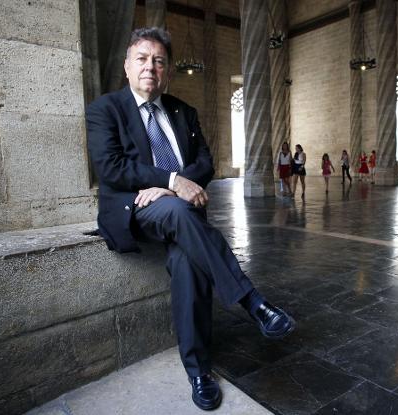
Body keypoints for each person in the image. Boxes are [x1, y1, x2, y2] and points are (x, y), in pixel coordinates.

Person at [85, 27, 295, 411]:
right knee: (179, 211)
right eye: (142, 59)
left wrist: (173, 188)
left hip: (178, 210)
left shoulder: (184, 112)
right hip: (133, 209)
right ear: (127, 66)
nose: (150, 67)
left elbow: (205, 163)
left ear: (168, 70)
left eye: (159, 61)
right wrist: (170, 181)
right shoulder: (105, 109)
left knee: (186, 259)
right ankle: (252, 301)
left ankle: (199, 372)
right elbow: (111, 167)